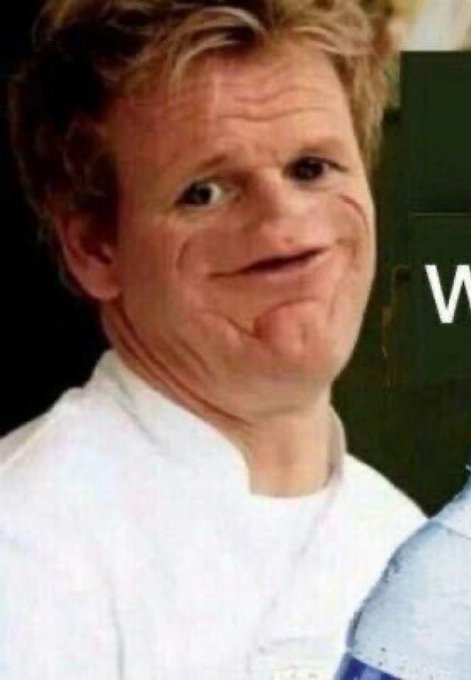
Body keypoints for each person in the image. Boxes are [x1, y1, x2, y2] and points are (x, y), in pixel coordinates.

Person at [0, 1, 425, 677]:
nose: (285, 224)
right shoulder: (27, 543)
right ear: (96, 249)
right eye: (204, 192)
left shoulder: (403, 540)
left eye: (312, 168)